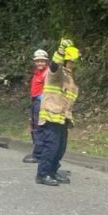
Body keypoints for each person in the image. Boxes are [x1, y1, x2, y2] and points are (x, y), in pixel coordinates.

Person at [35, 39, 80, 186]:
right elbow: (54, 65)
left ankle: (52, 171)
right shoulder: (56, 73)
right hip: (51, 116)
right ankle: (42, 174)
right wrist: (60, 51)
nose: (74, 63)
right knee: (51, 147)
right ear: (66, 61)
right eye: (72, 61)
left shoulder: (69, 77)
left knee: (60, 148)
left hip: (62, 118)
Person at [22, 49, 49, 163]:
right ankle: (38, 152)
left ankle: (38, 154)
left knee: (39, 128)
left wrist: (41, 99)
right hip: (35, 101)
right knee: (34, 126)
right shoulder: (37, 72)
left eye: (42, 61)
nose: (39, 63)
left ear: (46, 62)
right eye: (37, 61)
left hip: (41, 103)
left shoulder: (47, 73)